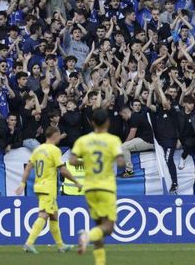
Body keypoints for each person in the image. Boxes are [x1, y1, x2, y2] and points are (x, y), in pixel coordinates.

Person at [72, 109, 125, 265]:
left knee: (99, 227)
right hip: (106, 187)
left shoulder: (83, 140)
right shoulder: (113, 140)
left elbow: (73, 160)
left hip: (89, 188)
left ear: (92, 123)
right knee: (108, 227)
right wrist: (117, 159)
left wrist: (87, 161)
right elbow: (121, 162)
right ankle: (87, 236)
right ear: (108, 122)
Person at [16, 126, 81, 253]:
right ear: (55, 135)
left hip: (39, 186)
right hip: (48, 187)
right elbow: (62, 170)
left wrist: (23, 183)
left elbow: (28, 168)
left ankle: (61, 246)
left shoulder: (38, 149)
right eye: (59, 135)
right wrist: (76, 182)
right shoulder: (54, 150)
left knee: (54, 215)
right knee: (44, 214)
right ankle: (29, 243)